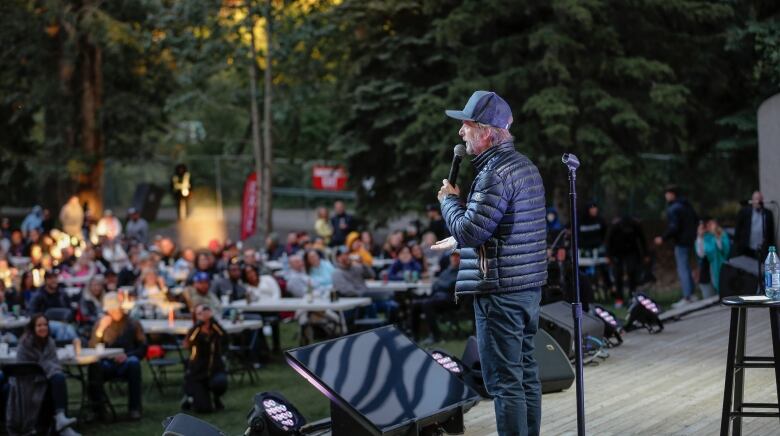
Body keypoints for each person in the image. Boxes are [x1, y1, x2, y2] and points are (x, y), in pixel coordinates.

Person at [434, 90, 547, 436]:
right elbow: (503, 227)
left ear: (485, 131)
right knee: (525, 374)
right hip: (525, 289)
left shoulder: (494, 173)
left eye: (466, 125)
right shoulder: (523, 166)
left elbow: (471, 231)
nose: (460, 132)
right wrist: (456, 239)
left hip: (499, 293)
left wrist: (449, 202)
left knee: (504, 383)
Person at [12, 315, 80, 436]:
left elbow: (55, 363)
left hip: (47, 378)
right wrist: (47, 368)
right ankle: (61, 423)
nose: (43, 328)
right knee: (57, 378)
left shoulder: (50, 343)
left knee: (58, 378)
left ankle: (61, 421)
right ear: (33, 328)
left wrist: (48, 369)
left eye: (45, 325)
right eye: (39, 325)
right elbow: (23, 368)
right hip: (29, 382)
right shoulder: (25, 345)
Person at [87, 292, 146, 420]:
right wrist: (100, 330)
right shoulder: (102, 323)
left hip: (127, 361)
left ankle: (134, 408)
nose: (115, 312)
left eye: (117, 308)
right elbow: (92, 347)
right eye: (112, 309)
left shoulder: (133, 323)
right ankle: (98, 409)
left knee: (134, 363)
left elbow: (143, 347)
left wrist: (127, 355)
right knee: (94, 366)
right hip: (107, 362)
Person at [654, 186, 699, 307]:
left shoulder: (674, 208)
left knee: (682, 268)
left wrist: (663, 238)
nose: (666, 196)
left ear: (672, 194)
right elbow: (696, 220)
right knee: (687, 267)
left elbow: (674, 227)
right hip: (691, 240)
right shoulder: (687, 205)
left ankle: (687, 296)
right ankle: (692, 294)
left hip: (681, 242)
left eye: (667, 194)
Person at [182, 304, 228, 413]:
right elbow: (189, 342)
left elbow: (224, 336)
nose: (203, 315)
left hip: (215, 371)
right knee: (204, 409)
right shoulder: (194, 331)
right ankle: (190, 399)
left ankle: (216, 397)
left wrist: (212, 320)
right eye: (199, 314)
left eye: (205, 312)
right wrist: (199, 324)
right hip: (197, 374)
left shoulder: (215, 329)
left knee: (220, 382)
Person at [411, 251, 460, 344]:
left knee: (427, 304)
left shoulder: (461, 272)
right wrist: (439, 284)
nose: (454, 258)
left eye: (457, 257)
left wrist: (439, 284)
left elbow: (449, 286)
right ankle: (415, 335)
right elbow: (436, 284)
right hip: (437, 297)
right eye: (453, 256)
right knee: (415, 303)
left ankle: (435, 335)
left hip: (450, 300)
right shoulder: (447, 270)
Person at [605, 215, 647, 306]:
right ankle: (619, 298)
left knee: (632, 271)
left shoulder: (635, 226)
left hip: (631, 251)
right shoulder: (615, 227)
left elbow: (642, 240)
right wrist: (608, 255)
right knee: (618, 274)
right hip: (617, 252)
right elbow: (608, 241)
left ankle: (632, 295)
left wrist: (645, 254)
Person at [733, 190, 776, 259]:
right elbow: (738, 230)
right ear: (752, 200)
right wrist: (737, 247)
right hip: (747, 249)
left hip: (763, 250)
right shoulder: (744, 212)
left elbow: (771, 234)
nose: (758, 201)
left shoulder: (768, 213)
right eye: (756, 199)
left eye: (760, 199)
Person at [695, 217, 730, 298]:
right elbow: (701, 254)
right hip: (707, 274)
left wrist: (715, 234)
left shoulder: (722, 235)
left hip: (721, 272)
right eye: (707, 224)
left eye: (710, 224)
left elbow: (724, 250)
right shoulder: (702, 238)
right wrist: (700, 236)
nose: (708, 226)